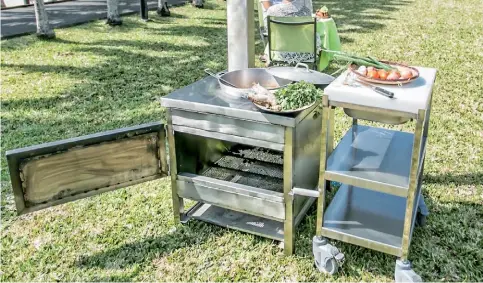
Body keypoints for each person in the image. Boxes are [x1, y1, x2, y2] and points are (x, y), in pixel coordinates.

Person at [259, 0, 320, 65]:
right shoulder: (306, 3)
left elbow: (269, 31)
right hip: (306, 52)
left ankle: (267, 57)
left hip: (281, 53)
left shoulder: (272, 10)